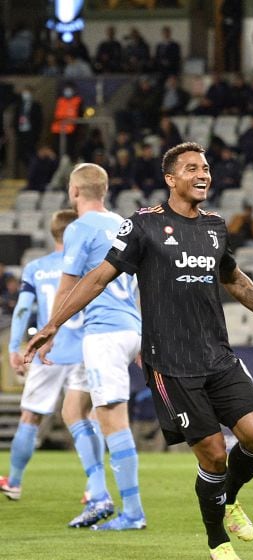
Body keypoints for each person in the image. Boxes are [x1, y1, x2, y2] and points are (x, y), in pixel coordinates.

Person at [23, 143, 253, 560]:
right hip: (171, 362)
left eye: (207, 168)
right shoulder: (143, 225)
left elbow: (234, 280)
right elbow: (99, 277)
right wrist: (53, 324)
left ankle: (228, 498)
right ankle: (218, 542)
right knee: (213, 453)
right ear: (171, 179)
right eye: (192, 168)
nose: (203, 174)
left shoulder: (215, 226)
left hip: (218, 354)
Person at [36, 164, 145, 531]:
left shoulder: (79, 228)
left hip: (105, 334)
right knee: (73, 408)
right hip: (126, 328)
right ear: (106, 189)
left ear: (73, 192)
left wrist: (49, 331)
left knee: (112, 418)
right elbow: (141, 282)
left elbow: (67, 288)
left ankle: (132, 512)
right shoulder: (123, 224)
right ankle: (98, 493)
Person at [1, 211, 100, 502]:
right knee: (89, 417)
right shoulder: (91, 266)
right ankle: (94, 488)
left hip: (49, 351)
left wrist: (13, 349)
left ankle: (15, 482)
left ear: (53, 233)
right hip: (85, 351)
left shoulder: (36, 268)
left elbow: (22, 309)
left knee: (30, 417)